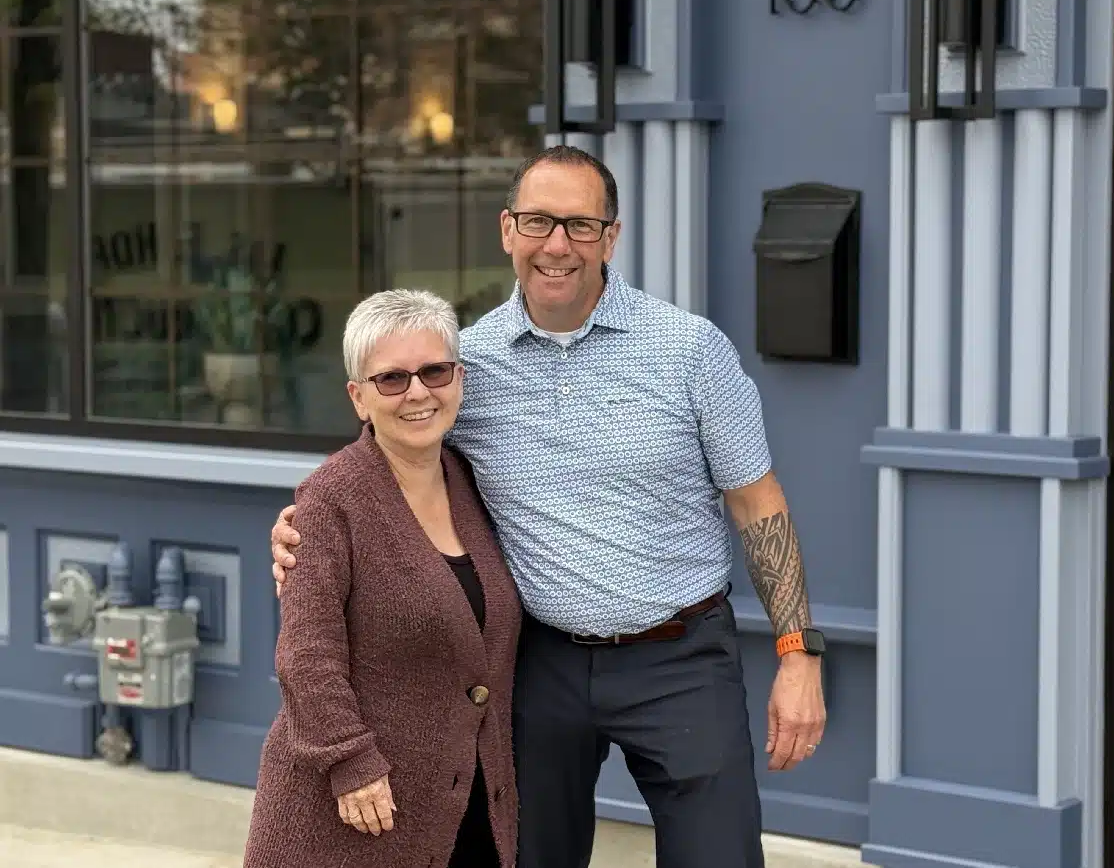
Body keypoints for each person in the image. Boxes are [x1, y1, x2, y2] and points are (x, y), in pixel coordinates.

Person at [271, 146, 827, 868]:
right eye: (537, 222)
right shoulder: (462, 365)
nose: (556, 245)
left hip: (682, 657)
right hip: (535, 663)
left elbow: (759, 504)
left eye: (579, 224)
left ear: (610, 236)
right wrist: (301, 526)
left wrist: (798, 654)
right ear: (507, 230)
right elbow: (381, 465)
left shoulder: (689, 350)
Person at [243, 290, 521, 868]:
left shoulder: (475, 483)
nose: (418, 392)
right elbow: (307, 655)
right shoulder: (331, 499)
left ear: (458, 378)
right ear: (359, 398)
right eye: (391, 379)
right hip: (358, 811)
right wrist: (351, 764)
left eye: (435, 371)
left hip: (467, 800)